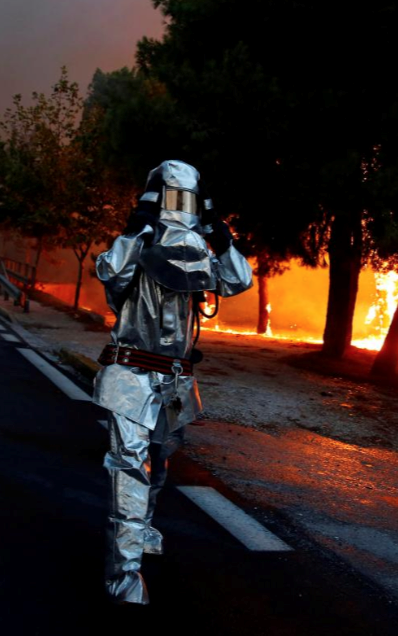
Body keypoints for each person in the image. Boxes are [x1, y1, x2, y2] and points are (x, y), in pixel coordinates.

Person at [93, 159, 253, 604]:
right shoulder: (132, 249)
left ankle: (141, 532)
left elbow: (238, 279)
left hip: (175, 383)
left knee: (158, 465)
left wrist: (222, 236)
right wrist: (137, 228)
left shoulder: (199, 254)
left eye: (187, 199)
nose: (177, 208)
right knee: (128, 470)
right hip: (130, 375)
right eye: (171, 197)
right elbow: (109, 273)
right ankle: (123, 575)